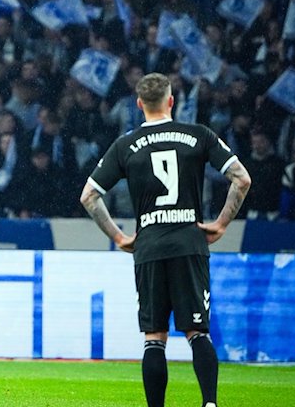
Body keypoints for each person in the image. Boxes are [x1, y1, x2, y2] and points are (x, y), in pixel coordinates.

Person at [79, 73, 252, 407]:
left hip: (150, 246)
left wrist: (117, 236)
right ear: (171, 101)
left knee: (154, 337)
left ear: (139, 104)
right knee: (197, 332)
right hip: (190, 242)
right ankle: (210, 404)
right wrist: (221, 223)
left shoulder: (125, 145)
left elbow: (89, 196)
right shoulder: (198, 135)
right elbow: (241, 179)